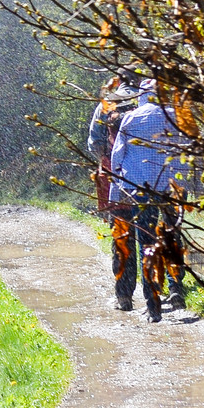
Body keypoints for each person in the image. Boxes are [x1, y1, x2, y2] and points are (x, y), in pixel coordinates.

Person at [109, 79, 194, 322]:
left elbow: (118, 157)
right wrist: (188, 186)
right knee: (170, 237)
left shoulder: (131, 119)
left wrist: (115, 191)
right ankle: (176, 289)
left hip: (140, 190)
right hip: (170, 189)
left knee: (146, 244)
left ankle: (153, 304)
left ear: (142, 96)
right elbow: (187, 151)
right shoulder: (176, 116)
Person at [87, 73, 140, 311]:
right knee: (151, 235)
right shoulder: (148, 104)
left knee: (122, 237)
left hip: (115, 180)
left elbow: (94, 143)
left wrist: (108, 162)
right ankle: (159, 292)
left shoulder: (105, 107)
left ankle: (124, 295)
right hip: (147, 179)